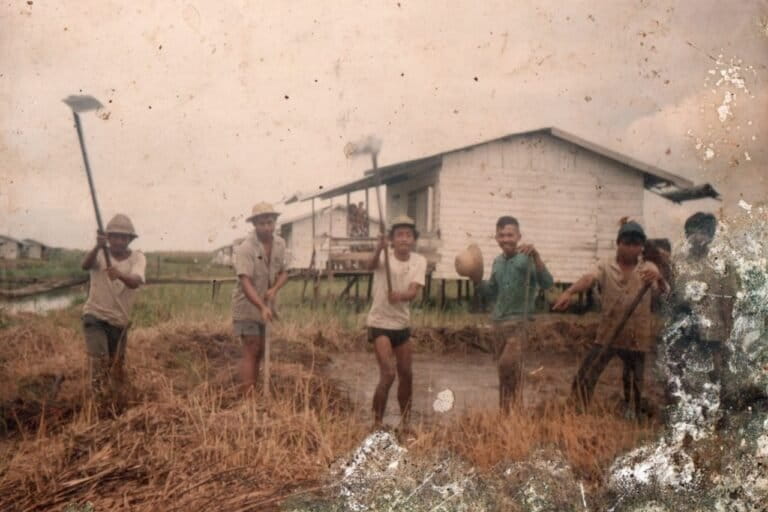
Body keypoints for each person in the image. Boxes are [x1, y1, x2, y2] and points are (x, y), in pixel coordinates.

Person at [553, 219, 667, 418]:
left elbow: (664, 291)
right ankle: (576, 410)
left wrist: (658, 277)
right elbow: (589, 278)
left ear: (641, 246)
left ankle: (634, 415)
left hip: (636, 336)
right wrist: (569, 292)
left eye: (636, 244)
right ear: (618, 243)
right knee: (587, 373)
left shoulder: (648, 267)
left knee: (634, 381)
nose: (631, 248)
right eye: (626, 243)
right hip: (609, 332)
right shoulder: (605, 265)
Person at [470, 216, 554, 413]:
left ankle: (514, 412)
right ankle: (508, 414)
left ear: (518, 236)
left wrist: (537, 257)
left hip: (519, 324)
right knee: (506, 374)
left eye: (510, 235)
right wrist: (476, 281)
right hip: (498, 324)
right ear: (496, 238)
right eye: (501, 235)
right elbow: (491, 292)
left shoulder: (527, 258)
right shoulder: (497, 262)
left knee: (507, 365)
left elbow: (547, 283)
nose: (506, 239)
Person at [665, 212, 738, 409]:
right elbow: (672, 295)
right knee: (676, 363)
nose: (698, 237)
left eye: (704, 232)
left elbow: (729, 298)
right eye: (693, 232)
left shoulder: (722, 262)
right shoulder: (678, 261)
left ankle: (719, 407)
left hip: (712, 323)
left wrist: (728, 329)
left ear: (711, 235)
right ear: (687, 235)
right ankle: (680, 404)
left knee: (716, 368)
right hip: (684, 322)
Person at [366, 214, 427, 429]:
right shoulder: (385, 256)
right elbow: (369, 266)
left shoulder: (419, 261)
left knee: (406, 374)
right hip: (380, 323)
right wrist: (378, 248)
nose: (404, 239)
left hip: (402, 325)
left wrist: (399, 296)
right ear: (392, 239)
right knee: (388, 373)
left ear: (413, 239)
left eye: (408, 235)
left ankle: (406, 422)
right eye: (399, 235)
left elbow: (413, 292)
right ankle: (376, 423)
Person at [81, 214, 145, 403]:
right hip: (95, 316)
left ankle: (115, 401)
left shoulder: (138, 258)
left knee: (116, 367)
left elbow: (135, 281)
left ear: (130, 239)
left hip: (119, 322)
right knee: (99, 361)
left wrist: (120, 275)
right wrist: (97, 246)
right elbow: (85, 265)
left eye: (123, 237)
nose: (118, 241)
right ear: (107, 238)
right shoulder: (100, 253)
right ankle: (97, 403)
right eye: (114, 236)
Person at [231, 202, 289, 392]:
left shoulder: (280, 244)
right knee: (252, 347)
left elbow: (284, 272)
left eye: (270, 222)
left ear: (275, 222)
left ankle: (253, 391)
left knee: (261, 349)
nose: (266, 227)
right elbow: (245, 282)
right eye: (262, 223)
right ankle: (247, 397)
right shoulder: (246, 248)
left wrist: (275, 289)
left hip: (267, 305)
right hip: (247, 306)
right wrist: (262, 307)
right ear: (254, 224)